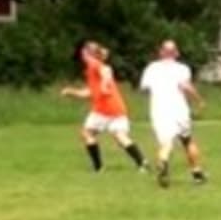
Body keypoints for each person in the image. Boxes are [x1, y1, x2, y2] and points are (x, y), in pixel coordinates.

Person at [61, 41, 147, 173]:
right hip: (113, 108)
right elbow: (89, 93)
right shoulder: (91, 69)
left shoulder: (94, 64)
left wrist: (105, 84)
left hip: (105, 109)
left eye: (83, 52)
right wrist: (71, 92)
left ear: (87, 53)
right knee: (119, 136)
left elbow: (106, 71)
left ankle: (98, 167)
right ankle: (141, 162)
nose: (82, 55)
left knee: (88, 133)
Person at [139, 40, 208, 187]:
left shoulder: (151, 68)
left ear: (161, 52)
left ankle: (163, 161)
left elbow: (144, 89)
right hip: (179, 110)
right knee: (187, 141)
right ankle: (197, 174)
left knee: (166, 143)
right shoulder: (182, 68)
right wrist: (199, 100)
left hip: (159, 111)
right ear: (176, 53)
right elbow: (185, 86)